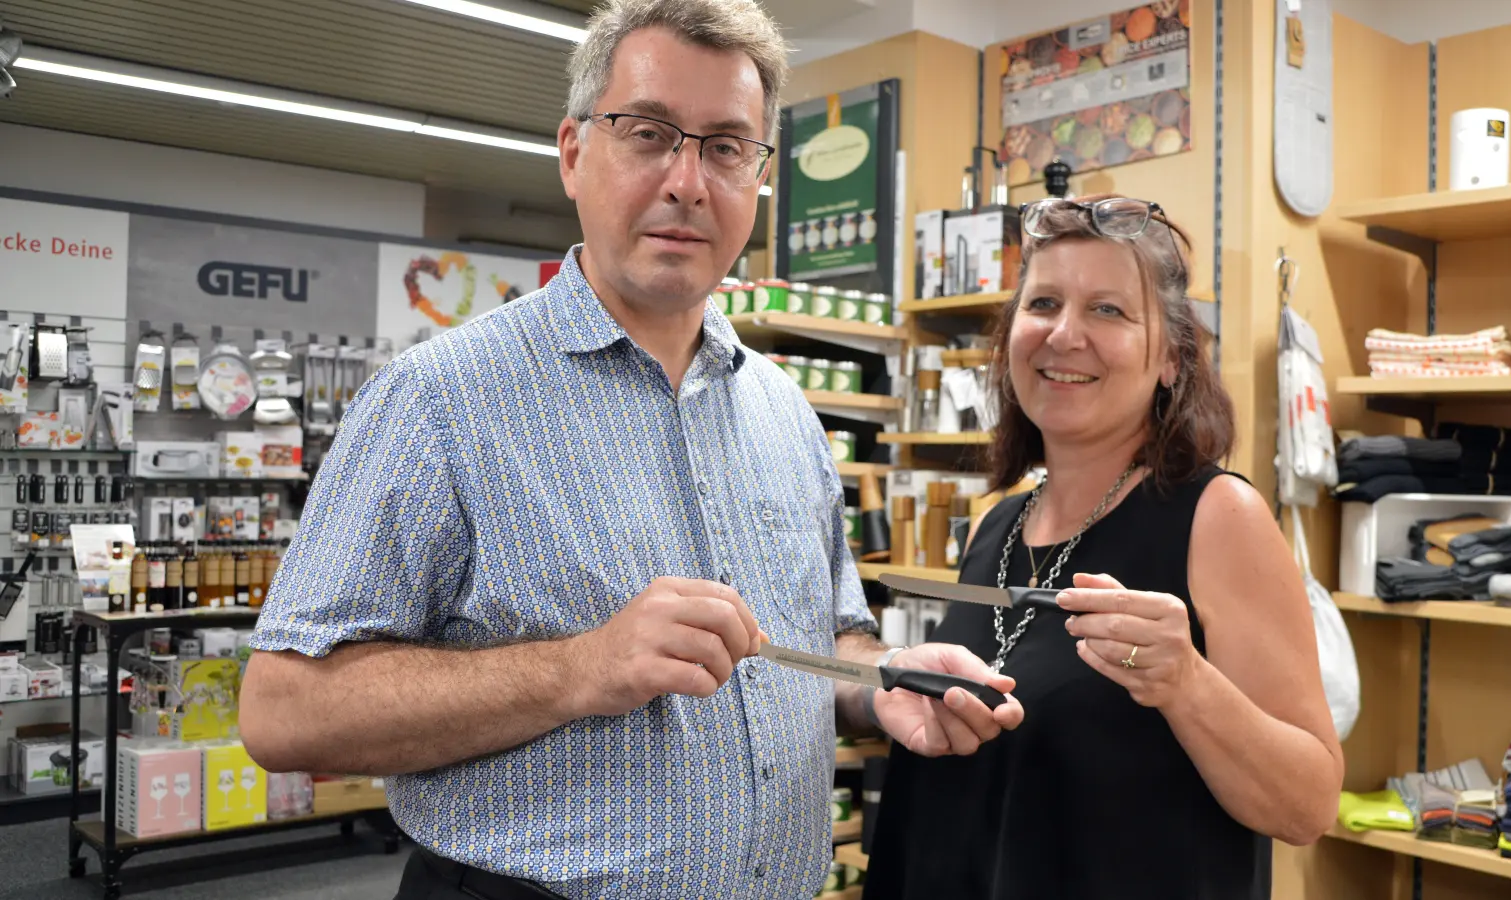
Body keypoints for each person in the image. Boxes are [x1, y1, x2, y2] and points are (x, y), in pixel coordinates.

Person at [235, 1, 1022, 898]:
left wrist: (884, 682)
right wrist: (584, 666)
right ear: (574, 154)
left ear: (759, 178)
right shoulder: (438, 401)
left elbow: (828, 635)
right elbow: (283, 710)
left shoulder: (784, 414)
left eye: (727, 147)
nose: (689, 180)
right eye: (649, 133)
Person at [861, 195, 1345, 900]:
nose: (1064, 334)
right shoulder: (997, 528)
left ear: (1173, 359)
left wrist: (1187, 684)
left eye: (1109, 311)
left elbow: (1308, 805)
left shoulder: (1218, 518)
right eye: (1044, 303)